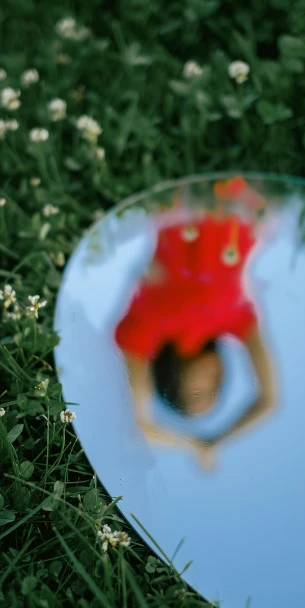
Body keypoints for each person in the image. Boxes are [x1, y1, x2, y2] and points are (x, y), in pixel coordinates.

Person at [114, 177, 278, 471]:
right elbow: (270, 400)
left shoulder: (140, 332)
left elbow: (140, 425)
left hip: (178, 200)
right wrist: (217, 442)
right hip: (240, 204)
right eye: (217, 389)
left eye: (198, 394)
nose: (210, 383)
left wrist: (193, 445)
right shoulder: (237, 321)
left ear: (171, 383)